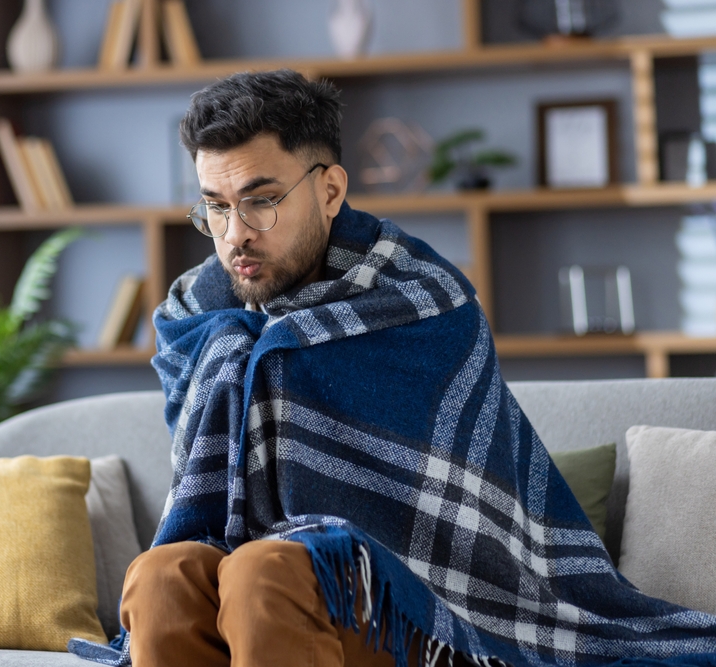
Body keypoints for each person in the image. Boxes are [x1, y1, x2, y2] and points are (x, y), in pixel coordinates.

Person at [70, 69, 716, 667]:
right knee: (163, 573)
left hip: (412, 601)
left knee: (267, 568)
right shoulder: (194, 316)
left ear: (329, 190)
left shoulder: (422, 300)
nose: (234, 232)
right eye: (213, 204)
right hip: (262, 577)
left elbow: (461, 499)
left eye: (260, 200)